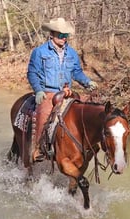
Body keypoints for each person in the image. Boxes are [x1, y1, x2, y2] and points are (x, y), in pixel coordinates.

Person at [27, 17, 98, 162]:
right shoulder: (39, 52)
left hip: (67, 92)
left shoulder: (71, 53)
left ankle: (83, 147)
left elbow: (76, 72)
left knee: (85, 112)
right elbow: (32, 73)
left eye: (66, 35)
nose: (64, 38)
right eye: (61, 35)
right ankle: (36, 149)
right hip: (48, 92)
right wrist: (38, 90)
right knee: (44, 112)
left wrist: (87, 82)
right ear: (52, 34)